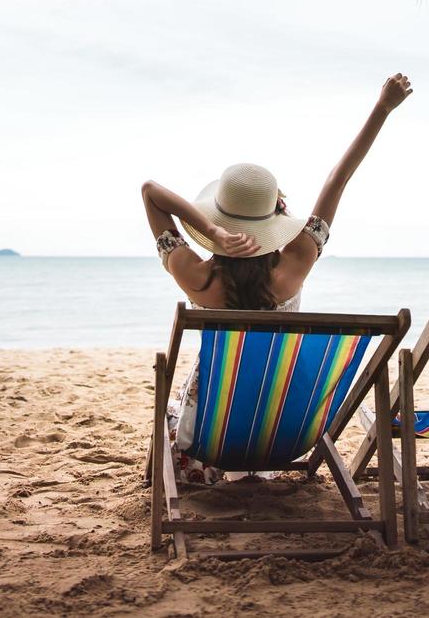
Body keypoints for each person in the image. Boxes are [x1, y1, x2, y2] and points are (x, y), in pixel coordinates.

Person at [139, 73, 413, 482]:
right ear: (276, 219)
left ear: (216, 216)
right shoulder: (295, 265)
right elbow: (338, 180)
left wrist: (213, 233)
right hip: (287, 422)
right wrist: (382, 109)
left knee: (176, 403)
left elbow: (150, 192)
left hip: (213, 428)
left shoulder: (196, 278)